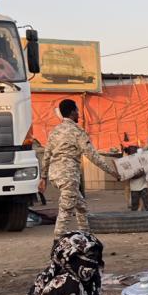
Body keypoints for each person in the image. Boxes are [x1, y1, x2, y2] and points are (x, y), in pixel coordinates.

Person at [37, 99, 120, 236]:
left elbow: (46, 155)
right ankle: (57, 240)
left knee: (81, 207)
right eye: (77, 110)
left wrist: (43, 177)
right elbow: (92, 155)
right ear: (72, 112)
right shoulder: (77, 131)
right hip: (68, 175)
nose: (79, 114)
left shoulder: (55, 131)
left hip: (55, 175)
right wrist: (112, 172)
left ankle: (85, 235)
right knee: (66, 209)